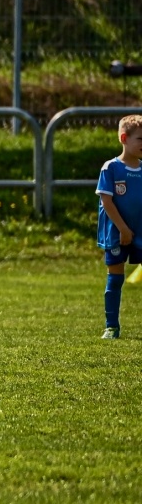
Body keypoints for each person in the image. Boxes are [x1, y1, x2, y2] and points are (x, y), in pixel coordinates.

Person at [97, 114, 142, 339]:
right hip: (116, 232)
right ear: (124, 138)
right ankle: (111, 326)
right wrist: (123, 229)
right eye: (140, 139)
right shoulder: (111, 168)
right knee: (115, 278)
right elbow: (107, 201)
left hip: (140, 232)